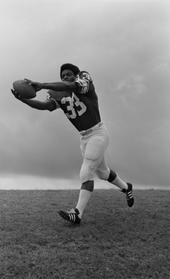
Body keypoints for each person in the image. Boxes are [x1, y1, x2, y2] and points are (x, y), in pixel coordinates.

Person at [11, 63, 135, 224]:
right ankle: (127, 188)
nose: (65, 77)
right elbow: (45, 106)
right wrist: (24, 100)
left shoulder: (84, 78)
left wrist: (41, 85)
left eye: (69, 74)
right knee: (103, 173)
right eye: (63, 76)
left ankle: (77, 213)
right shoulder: (57, 92)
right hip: (84, 137)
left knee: (86, 171)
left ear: (76, 75)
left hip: (98, 132)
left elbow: (72, 85)